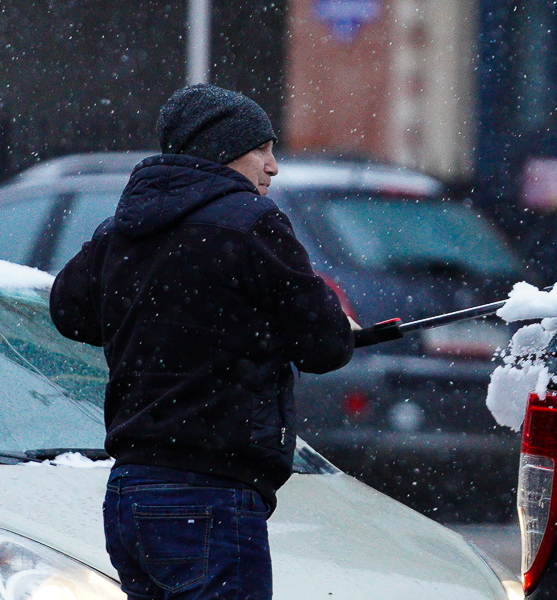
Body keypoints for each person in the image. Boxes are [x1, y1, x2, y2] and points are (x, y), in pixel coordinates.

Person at [49, 83, 356, 600]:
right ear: (224, 150)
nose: (273, 166)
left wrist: (159, 320)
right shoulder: (251, 223)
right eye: (261, 148)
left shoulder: (123, 227)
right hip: (211, 496)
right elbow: (325, 345)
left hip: (130, 496)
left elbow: (68, 311)